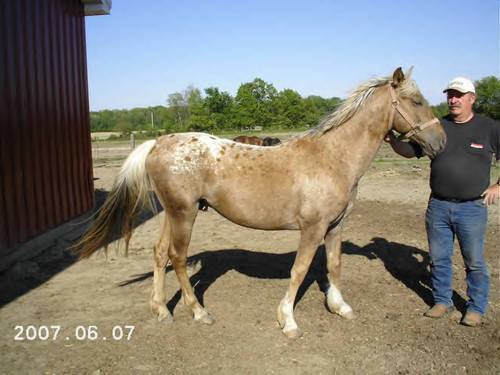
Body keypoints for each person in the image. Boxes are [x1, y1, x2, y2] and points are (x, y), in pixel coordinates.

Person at [385, 77, 500, 327]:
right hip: (438, 206)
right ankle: (442, 301)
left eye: (459, 95)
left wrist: (498, 185)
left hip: (472, 208)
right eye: (450, 94)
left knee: (475, 261)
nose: (453, 99)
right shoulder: (438, 125)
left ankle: (476, 307)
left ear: (472, 98)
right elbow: (412, 151)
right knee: (439, 259)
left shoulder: (489, 127)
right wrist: (394, 142)